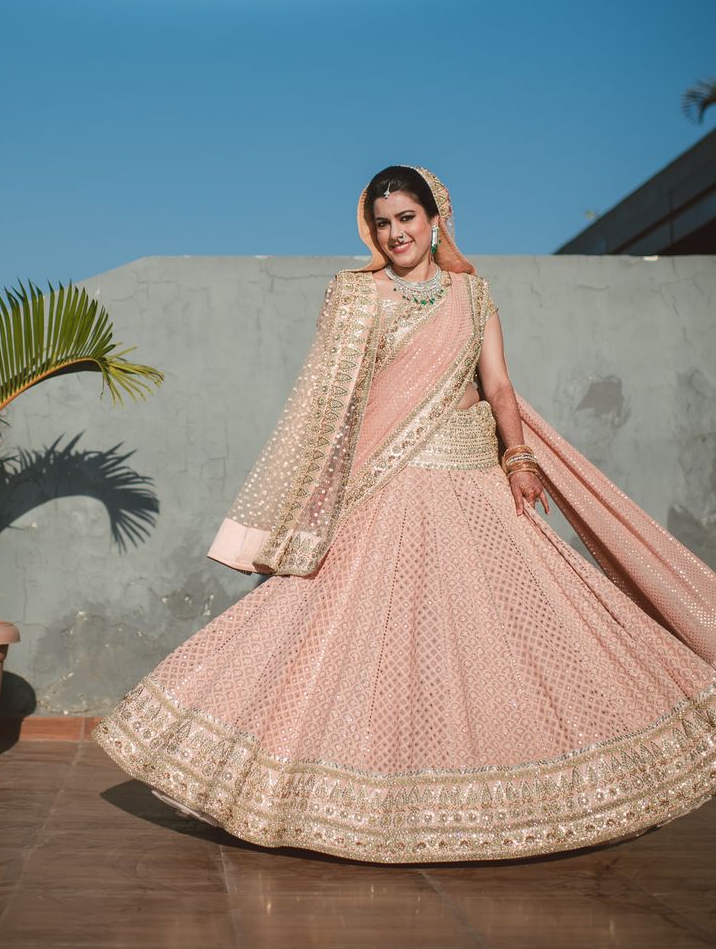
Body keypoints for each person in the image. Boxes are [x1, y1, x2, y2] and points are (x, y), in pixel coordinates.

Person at [92, 165, 716, 862]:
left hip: (474, 481)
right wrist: (312, 502)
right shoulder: (358, 298)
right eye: (383, 223)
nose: (396, 234)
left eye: (407, 219)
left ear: (435, 218)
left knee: (508, 638)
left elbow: (501, 385)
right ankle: (328, 798)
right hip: (385, 486)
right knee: (349, 637)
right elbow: (327, 404)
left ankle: (504, 800)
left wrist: (519, 459)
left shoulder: (473, 295)